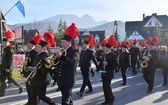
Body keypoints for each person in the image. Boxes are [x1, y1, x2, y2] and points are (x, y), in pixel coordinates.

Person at [54, 23, 79, 105]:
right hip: (61, 80)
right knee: (68, 100)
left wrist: (61, 57)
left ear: (69, 42)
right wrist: (53, 62)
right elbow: (59, 64)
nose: (61, 44)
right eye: (61, 42)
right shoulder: (61, 51)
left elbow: (72, 63)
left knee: (65, 102)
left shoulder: (74, 51)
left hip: (69, 80)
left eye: (63, 42)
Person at [30, 40, 57, 105]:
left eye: (39, 47)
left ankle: (53, 104)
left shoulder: (46, 56)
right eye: (37, 46)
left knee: (41, 96)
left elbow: (48, 69)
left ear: (43, 48)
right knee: (33, 96)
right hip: (35, 79)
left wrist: (37, 70)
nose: (37, 48)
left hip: (42, 79)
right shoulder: (37, 55)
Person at [96, 35, 118, 105]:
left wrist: (108, 64)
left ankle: (111, 98)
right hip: (103, 73)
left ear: (108, 48)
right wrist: (97, 69)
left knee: (107, 86)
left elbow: (116, 65)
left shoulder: (113, 55)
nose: (103, 49)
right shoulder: (103, 55)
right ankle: (107, 99)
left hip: (109, 73)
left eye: (105, 48)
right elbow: (100, 64)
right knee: (104, 87)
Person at [21, 39, 38, 105]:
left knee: (32, 90)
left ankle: (33, 102)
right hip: (27, 72)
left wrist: (27, 64)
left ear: (33, 45)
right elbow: (26, 62)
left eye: (29, 44)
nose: (27, 45)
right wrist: (23, 71)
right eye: (27, 44)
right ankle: (30, 101)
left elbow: (34, 64)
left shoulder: (35, 53)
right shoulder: (27, 52)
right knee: (28, 89)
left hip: (31, 73)